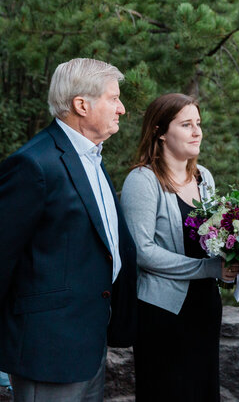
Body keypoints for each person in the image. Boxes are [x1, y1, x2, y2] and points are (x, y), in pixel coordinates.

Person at [0, 58, 137, 401]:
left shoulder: (92, 158)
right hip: (47, 351)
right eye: (113, 98)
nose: (121, 109)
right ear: (81, 104)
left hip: (89, 344)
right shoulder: (34, 164)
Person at [121, 93, 239, 401]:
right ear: (160, 132)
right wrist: (207, 268)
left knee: (203, 391)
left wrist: (234, 256)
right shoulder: (142, 180)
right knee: (167, 392)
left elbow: (213, 236)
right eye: (186, 124)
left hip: (205, 307)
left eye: (198, 123)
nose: (197, 131)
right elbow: (143, 251)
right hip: (162, 313)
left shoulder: (204, 178)